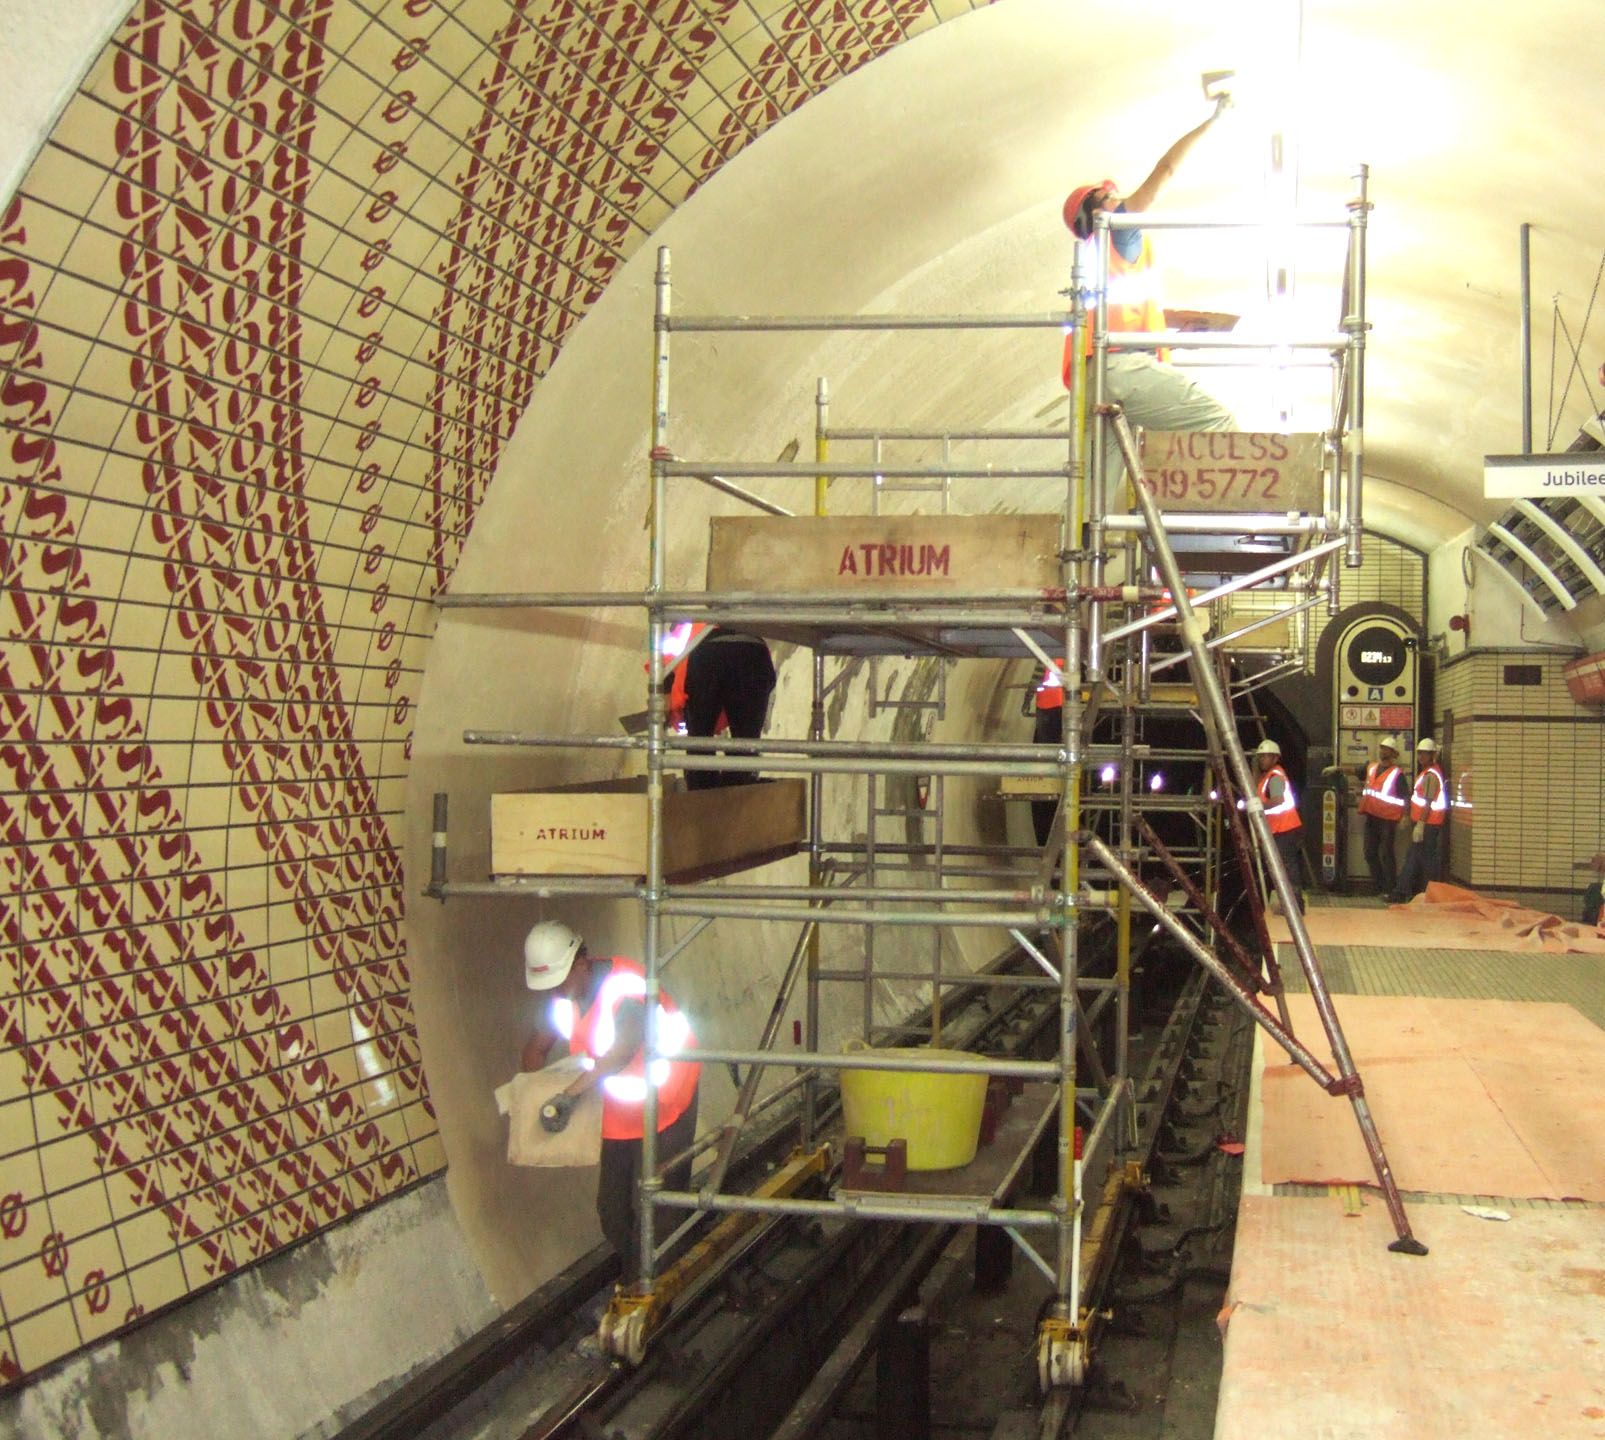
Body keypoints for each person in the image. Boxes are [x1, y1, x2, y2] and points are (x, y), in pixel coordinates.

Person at [1061, 101, 1237, 501]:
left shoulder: (1092, 257)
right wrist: (1211, 122)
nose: (1117, 196)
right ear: (1098, 209)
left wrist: (1170, 324)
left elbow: (1117, 311)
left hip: (1094, 379)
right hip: (1123, 370)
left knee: (1091, 503)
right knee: (1218, 420)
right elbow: (1166, 172)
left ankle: (1075, 556)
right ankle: (1201, 520)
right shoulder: (1118, 230)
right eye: (1109, 194)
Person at [521, 921, 700, 1279]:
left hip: (667, 1103)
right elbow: (535, 1050)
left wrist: (568, 1096)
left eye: (560, 982)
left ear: (582, 962)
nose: (556, 992)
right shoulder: (564, 1001)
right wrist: (532, 1093)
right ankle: (640, 1275)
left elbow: (622, 1050)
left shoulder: (627, 985)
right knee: (614, 1213)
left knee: (655, 1208)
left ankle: (659, 1286)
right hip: (618, 1115)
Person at [662, 622, 777, 790]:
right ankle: (735, 796)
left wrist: (667, 696)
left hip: (707, 653)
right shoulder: (746, 620)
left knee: (699, 743)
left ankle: (705, 800)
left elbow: (666, 665)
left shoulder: (685, 627)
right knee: (745, 744)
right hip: (753, 652)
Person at [1325, 735, 1407, 897]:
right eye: (1382, 748)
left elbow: (1405, 797)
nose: (1383, 751)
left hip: (1388, 820)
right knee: (1369, 853)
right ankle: (1379, 886)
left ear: (1393, 753)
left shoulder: (1397, 774)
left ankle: (1390, 889)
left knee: (1386, 854)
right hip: (1372, 817)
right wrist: (1338, 769)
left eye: (1387, 749)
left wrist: (1405, 817)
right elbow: (1355, 771)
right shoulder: (1371, 767)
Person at [1389, 737, 1447, 904]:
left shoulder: (1431, 775)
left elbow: (1428, 802)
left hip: (1428, 824)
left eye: (1425, 754)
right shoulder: (1428, 773)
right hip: (1426, 824)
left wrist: (1420, 825)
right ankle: (1422, 893)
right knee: (1423, 859)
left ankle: (1402, 892)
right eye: (1420, 753)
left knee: (1416, 857)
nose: (1421, 757)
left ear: (1432, 755)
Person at [1251, 737, 1304, 913]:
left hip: (1285, 829)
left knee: (1287, 867)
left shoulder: (1274, 777)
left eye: (1266, 756)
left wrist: (1259, 806)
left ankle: (1295, 905)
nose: (1262, 759)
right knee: (1285, 867)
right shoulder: (1268, 777)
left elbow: (1278, 800)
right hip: (1280, 828)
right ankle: (1291, 904)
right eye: (1261, 756)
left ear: (1275, 758)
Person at [1030, 657, 1066, 847]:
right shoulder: (1061, 655)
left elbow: (1037, 678)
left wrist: (1030, 695)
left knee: (1048, 744)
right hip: (1054, 704)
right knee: (1049, 746)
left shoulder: (1053, 654)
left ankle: (1047, 774)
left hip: (1049, 705)